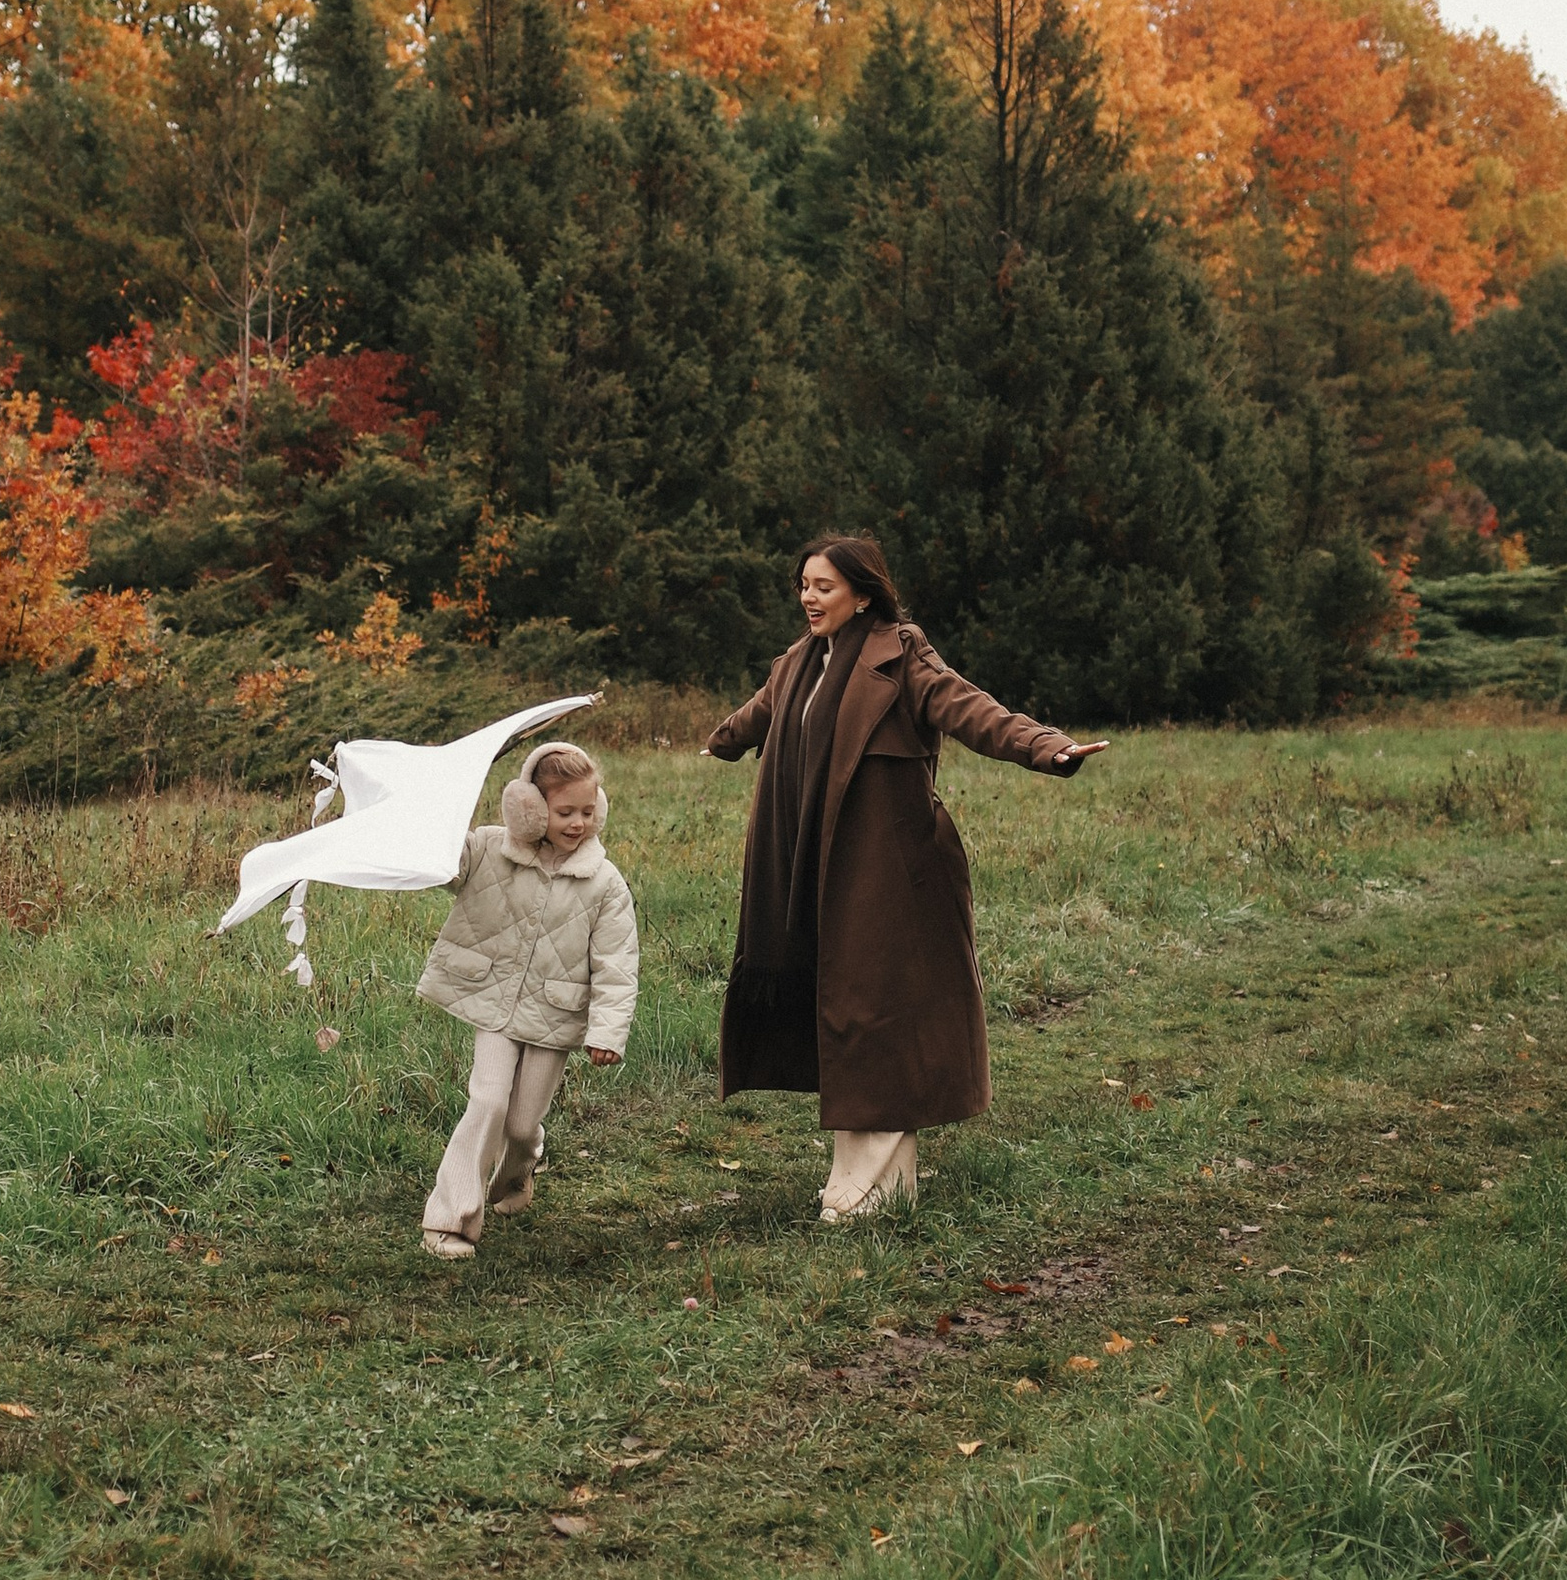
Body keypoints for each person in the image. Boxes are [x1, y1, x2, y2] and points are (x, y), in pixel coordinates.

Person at [703, 534, 1107, 1223]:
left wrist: (1048, 746)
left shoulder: (902, 652)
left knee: (879, 1013)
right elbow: (761, 715)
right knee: (843, 1011)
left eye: (823, 586)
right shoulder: (798, 664)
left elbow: (972, 710)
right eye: (803, 584)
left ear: (863, 593)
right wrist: (724, 739)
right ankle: (857, 1183)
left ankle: (873, 1193)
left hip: (889, 867)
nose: (808, 596)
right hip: (813, 862)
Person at [414, 741, 639, 1262]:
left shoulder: (603, 883)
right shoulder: (490, 848)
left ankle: (521, 1168)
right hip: (493, 1005)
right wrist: (434, 812)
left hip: (554, 1015)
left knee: (519, 1124)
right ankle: (451, 1219)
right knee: (487, 1102)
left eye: (588, 810)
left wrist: (606, 1032)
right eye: (565, 812)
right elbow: (440, 861)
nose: (578, 822)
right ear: (529, 808)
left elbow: (617, 964)